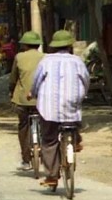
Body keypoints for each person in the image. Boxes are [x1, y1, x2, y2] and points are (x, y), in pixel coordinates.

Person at [30, 30, 89, 187]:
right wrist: (83, 94)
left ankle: (51, 176)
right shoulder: (77, 61)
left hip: (49, 108)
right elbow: (86, 80)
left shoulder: (46, 61)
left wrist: (33, 94)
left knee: (49, 140)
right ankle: (74, 140)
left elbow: (36, 82)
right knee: (73, 120)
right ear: (70, 45)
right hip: (72, 105)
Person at [9, 31, 44, 171]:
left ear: (24, 45)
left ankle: (25, 160)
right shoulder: (45, 57)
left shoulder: (19, 57)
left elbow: (13, 79)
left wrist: (11, 91)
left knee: (23, 126)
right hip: (42, 100)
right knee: (47, 126)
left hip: (23, 100)